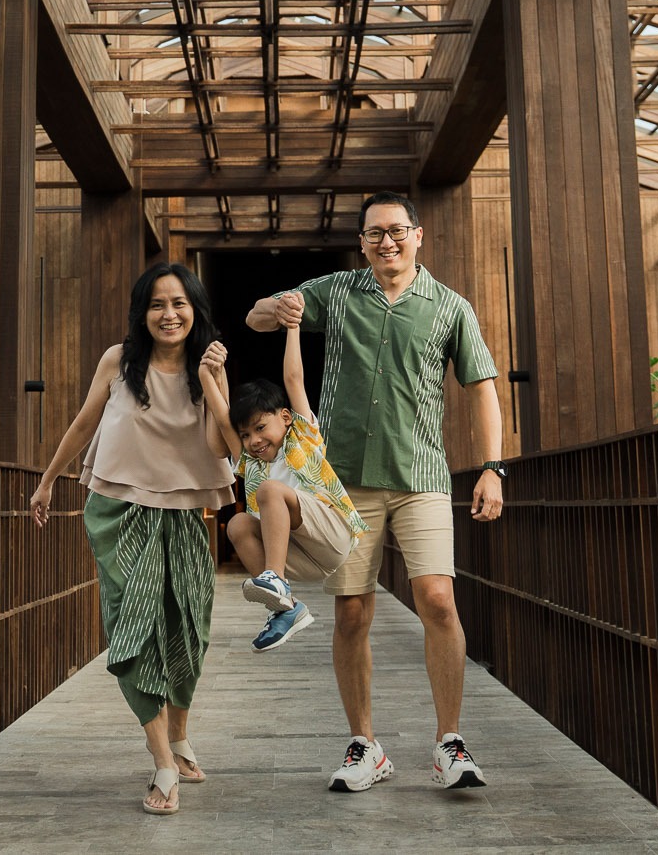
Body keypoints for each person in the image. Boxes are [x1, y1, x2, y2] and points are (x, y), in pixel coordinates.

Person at [246, 191, 506, 793]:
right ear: (361, 243)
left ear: (418, 235)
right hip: (346, 483)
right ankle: (366, 746)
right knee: (352, 611)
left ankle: (449, 743)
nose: (385, 243)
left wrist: (492, 467)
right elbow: (257, 319)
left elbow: (483, 388)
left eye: (395, 231)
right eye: (373, 235)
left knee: (437, 599)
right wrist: (276, 306)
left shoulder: (450, 308)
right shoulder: (337, 291)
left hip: (422, 478)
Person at [30, 262, 235, 815]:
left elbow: (224, 448)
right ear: (142, 314)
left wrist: (216, 381)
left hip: (184, 513)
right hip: (117, 510)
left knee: (188, 630)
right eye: (157, 305)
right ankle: (162, 758)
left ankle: (182, 736)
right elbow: (83, 422)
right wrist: (49, 479)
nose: (169, 314)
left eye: (179, 304)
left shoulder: (207, 365)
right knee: (132, 628)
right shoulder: (119, 361)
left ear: (196, 311)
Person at [200, 322, 367, 653]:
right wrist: (207, 375)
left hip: (333, 536)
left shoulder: (303, 437)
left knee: (270, 492)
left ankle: (274, 579)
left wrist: (292, 326)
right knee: (238, 524)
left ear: (286, 417)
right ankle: (285, 608)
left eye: (261, 428)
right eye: (246, 435)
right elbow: (222, 420)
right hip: (304, 556)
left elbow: (293, 379)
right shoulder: (252, 462)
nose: (254, 440)